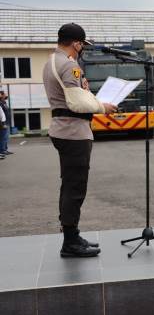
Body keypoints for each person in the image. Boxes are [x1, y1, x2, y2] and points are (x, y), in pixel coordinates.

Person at [43, 23, 117, 258]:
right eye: (82, 45)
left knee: (70, 185)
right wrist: (103, 107)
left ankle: (72, 235)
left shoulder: (51, 61)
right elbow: (77, 103)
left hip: (64, 130)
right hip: (73, 132)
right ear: (76, 43)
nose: (81, 49)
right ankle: (70, 241)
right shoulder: (69, 64)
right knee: (75, 188)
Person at [0, 90, 11, 156]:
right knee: (3, 137)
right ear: (2, 95)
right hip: (3, 123)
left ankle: (5, 149)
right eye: (5, 94)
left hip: (7, 122)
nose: (6, 95)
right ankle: (2, 150)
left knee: (6, 137)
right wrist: (3, 123)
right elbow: (1, 114)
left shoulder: (4, 102)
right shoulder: (0, 103)